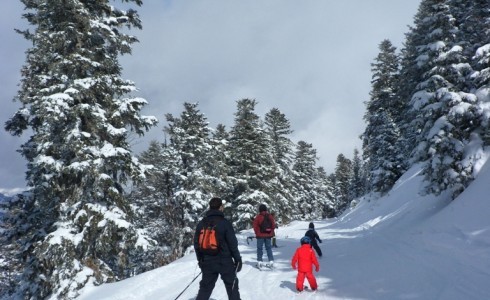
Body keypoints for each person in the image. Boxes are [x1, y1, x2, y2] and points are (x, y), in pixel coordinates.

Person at [194, 197, 242, 300]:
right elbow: (233, 243)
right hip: (225, 261)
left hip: (207, 260)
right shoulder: (225, 223)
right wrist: (238, 259)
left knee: (205, 288)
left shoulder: (201, 224)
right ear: (220, 207)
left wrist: (200, 260)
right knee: (232, 287)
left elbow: (196, 244)